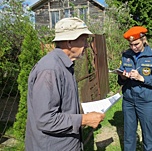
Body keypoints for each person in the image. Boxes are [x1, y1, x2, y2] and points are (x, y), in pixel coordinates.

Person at [25, 17, 105, 151]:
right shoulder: (50, 70)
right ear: (69, 42)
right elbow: (46, 119)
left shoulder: (65, 65)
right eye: (83, 40)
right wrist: (83, 120)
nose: (86, 45)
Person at [117, 26, 152, 151]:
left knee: (148, 136)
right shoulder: (126, 55)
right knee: (128, 135)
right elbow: (120, 81)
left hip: (146, 102)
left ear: (143, 39)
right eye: (131, 44)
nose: (134, 47)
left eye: (136, 44)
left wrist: (142, 78)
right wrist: (123, 77)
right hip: (128, 101)